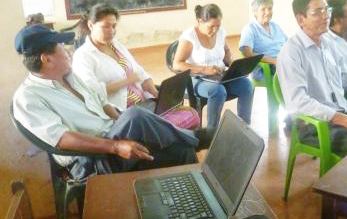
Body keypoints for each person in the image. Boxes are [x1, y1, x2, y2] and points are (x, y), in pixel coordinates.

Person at [13, 24, 212, 180]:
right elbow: (62, 139)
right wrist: (115, 147)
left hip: (113, 135)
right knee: (138, 116)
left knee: (173, 145)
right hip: (92, 159)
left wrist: (122, 122)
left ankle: (192, 212)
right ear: (47, 59)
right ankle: (198, 138)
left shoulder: (70, 77)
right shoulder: (28, 97)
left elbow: (101, 102)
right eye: (61, 48)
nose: (68, 51)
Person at [277, 0, 347, 156]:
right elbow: (298, 102)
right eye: (317, 12)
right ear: (301, 19)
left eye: (326, 9)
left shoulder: (328, 43)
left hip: (346, 114)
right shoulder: (291, 52)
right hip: (317, 126)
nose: (326, 15)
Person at [73, 4, 199, 129]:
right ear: (91, 25)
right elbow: (91, 92)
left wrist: (155, 92)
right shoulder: (83, 56)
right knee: (171, 125)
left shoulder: (116, 45)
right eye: (106, 26)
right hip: (126, 112)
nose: (111, 31)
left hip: (145, 102)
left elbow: (139, 72)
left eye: (114, 26)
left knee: (191, 115)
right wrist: (125, 82)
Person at [173, 4, 254, 128]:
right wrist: (205, 70)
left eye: (218, 26)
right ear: (200, 21)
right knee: (218, 91)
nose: (215, 30)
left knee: (247, 85)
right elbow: (177, 64)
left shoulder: (220, 32)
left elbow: (226, 51)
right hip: (196, 79)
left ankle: (243, 126)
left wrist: (233, 65)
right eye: (211, 26)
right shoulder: (189, 36)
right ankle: (211, 133)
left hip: (220, 76)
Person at [239, 0, 288, 80]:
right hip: (267, 68)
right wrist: (274, 61)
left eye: (270, 8)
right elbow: (248, 54)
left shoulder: (275, 26)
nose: (268, 12)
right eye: (263, 9)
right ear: (255, 12)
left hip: (284, 62)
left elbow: (289, 44)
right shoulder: (250, 29)